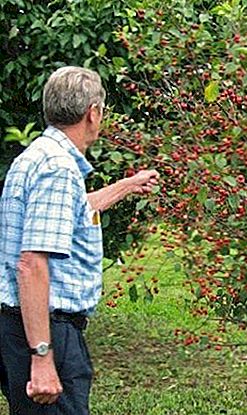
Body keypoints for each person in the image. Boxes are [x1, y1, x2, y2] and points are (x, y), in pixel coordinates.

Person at [0, 66, 159, 414]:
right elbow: (32, 263)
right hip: (49, 330)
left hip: (23, 325)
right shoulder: (58, 168)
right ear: (93, 113)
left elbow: (66, 214)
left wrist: (127, 186)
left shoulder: (35, 158)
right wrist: (42, 356)